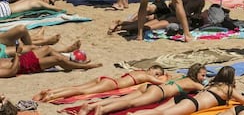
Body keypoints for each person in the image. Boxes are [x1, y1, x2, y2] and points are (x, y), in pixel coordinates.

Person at [77, 63, 207, 115]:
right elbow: (207, 89)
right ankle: (103, 110)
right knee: (129, 103)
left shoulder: (183, 77)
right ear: (196, 74)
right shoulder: (194, 83)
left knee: (123, 98)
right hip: (157, 92)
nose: (204, 77)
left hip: (149, 87)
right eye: (203, 75)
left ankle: (91, 106)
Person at [134, 66, 244, 115]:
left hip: (185, 98)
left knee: (157, 111)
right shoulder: (228, 88)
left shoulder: (212, 84)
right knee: (162, 114)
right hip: (192, 104)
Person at [33, 65, 166, 102]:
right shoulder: (146, 76)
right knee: (81, 92)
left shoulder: (139, 71)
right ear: (153, 71)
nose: (156, 76)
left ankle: (51, 91)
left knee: (77, 87)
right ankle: (51, 96)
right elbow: (160, 82)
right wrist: (165, 76)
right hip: (112, 84)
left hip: (106, 79)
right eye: (156, 73)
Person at [0, 45, 102, 78]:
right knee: (57, 60)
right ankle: (83, 67)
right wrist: (17, 54)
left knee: (47, 48)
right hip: (23, 65)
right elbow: (12, 72)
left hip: (22, 59)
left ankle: (69, 62)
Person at [0, 0, 64, 18]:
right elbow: (55, 9)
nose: (49, 4)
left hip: (4, 5)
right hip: (5, 10)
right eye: (50, 1)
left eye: (51, 3)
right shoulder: (39, 3)